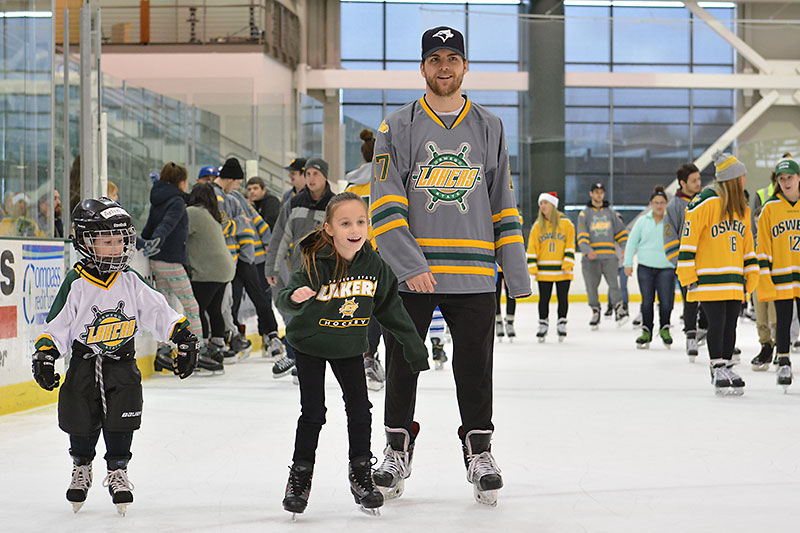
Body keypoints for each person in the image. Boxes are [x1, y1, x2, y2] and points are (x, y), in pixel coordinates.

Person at [369, 26, 530, 507]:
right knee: (403, 363)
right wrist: (407, 263)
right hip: (413, 275)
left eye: (452, 58)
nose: (444, 66)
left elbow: (503, 201)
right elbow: (385, 203)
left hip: (476, 273)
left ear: (465, 67)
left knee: (475, 367)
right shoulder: (395, 127)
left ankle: (479, 450)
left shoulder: (489, 125)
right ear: (422, 67)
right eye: (435, 57)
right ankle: (397, 448)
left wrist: (515, 271)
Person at [30, 198, 198, 515]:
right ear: (86, 243)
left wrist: (183, 337)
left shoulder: (130, 280)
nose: (118, 247)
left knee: (124, 417)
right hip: (84, 363)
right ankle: (82, 466)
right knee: (79, 419)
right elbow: (57, 326)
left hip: (123, 363)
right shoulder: (76, 283)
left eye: (121, 240)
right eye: (108, 241)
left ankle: (118, 469)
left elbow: (160, 312)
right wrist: (46, 353)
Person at [276, 192, 429, 517]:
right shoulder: (314, 260)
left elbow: (391, 309)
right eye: (345, 223)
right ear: (330, 228)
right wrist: (296, 298)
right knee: (314, 412)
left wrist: (413, 345)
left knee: (360, 409)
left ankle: (361, 474)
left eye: (360, 221)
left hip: (348, 344)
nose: (354, 228)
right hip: (310, 344)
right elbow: (285, 298)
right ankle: (300, 477)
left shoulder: (374, 266)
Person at [677, 151, 758, 396]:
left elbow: (747, 245)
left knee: (731, 323)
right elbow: (688, 241)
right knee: (717, 323)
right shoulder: (704, 203)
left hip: (734, 279)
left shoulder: (741, 209)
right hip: (709, 279)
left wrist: (750, 275)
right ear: (732, 179)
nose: (745, 179)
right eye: (742, 176)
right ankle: (716, 366)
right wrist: (688, 277)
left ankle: (727, 366)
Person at [141, 163, 220, 373]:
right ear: (181, 182)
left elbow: (150, 226)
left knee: (165, 306)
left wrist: (146, 242)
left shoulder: (160, 198)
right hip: (171, 261)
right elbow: (167, 224)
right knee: (191, 307)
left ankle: (163, 351)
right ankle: (198, 350)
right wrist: (156, 239)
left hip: (158, 260)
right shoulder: (175, 201)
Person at [265, 158, 335, 379]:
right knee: (294, 316)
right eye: (308, 174)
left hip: (327, 272)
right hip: (299, 272)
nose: (311, 178)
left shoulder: (334, 205)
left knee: (318, 317)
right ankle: (294, 356)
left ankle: (311, 359)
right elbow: (279, 237)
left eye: (316, 174)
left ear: (325, 176)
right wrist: (272, 269)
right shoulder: (294, 204)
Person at [345, 128, 387, 390]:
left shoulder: (351, 186)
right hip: (382, 253)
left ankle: (359, 357)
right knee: (379, 311)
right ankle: (370, 357)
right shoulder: (387, 180)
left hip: (355, 253)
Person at [754, 156, 800, 391]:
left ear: (799, 177)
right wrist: (765, 278)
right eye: (782, 179)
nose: (786, 182)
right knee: (781, 320)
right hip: (782, 275)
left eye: (790, 177)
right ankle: (783, 360)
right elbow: (763, 247)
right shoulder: (770, 208)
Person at [227, 172, 284, 360]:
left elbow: (261, 225)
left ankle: (270, 335)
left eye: (255, 188)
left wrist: (269, 246)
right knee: (234, 301)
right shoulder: (237, 200)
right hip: (238, 258)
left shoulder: (240, 200)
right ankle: (238, 336)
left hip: (254, 258)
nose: (251, 192)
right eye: (249, 189)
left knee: (262, 297)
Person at [186, 183, 236, 368]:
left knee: (198, 310)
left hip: (208, 272)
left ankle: (204, 347)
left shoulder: (193, 212)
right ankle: (218, 345)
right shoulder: (211, 214)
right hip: (225, 269)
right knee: (214, 309)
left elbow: (181, 234)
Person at [663, 163, 707, 361]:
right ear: (682, 183)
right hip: (687, 264)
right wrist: (680, 263)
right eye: (694, 180)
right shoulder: (673, 206)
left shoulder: (706, 201)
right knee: (690, 300)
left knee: (711, 301)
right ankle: (691, 334)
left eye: (699, 179)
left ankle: (707, 330)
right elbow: (670, 236)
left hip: (709, 262)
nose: (699, 183)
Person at [624, 186, 675, 349]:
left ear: (666, 204)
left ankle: (665, 328)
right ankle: (646, 331)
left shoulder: (672, 221)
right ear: (651, 204)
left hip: (667, 267)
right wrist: (628, 263)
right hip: (645, 267)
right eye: (656, 203)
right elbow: (632, 242)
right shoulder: (642, 221)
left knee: (666, 302)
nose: (659, 206)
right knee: (647, 302)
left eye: (662, 203)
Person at [577, 182, 629, 329]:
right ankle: (595, 310)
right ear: (591, 194)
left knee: (614, 285)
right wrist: (587, 250)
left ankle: (619, 309)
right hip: (591, 259)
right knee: (591, 287)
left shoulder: (610, 213)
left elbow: (621, 232)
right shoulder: (584, 214)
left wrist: (625, 247)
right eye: (596, 192)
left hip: (609, 256)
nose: (599, 194)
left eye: (601, 192)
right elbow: (581, 234)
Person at [749, 159, 783, 370]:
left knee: (777, 313)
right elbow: (752, 225)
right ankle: (765, 346)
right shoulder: (762, 195)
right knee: (760, 310)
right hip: (759, 262)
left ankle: (781, 347)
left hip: (780, 264)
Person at [527, 192, 575, 342]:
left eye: (545, 203)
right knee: (544, 299)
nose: (542, 206)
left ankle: (562, 323)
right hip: (544, 270)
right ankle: (543, 324)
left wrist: (568, 262)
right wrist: (533, 266)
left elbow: (570, 245)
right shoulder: (537, 226)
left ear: (553, 205)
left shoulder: (566, 224)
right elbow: (532, 247)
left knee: (563, 298)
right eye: (541, 204)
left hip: (562, 269)